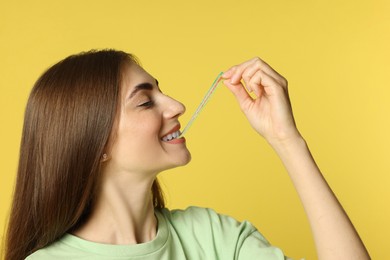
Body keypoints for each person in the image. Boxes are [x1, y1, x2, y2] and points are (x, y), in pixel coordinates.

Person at [4, 50, 370, 260]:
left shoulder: (213, 236)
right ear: (95, 144)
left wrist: (287, 140)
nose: (177, 106)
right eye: (146, 101)